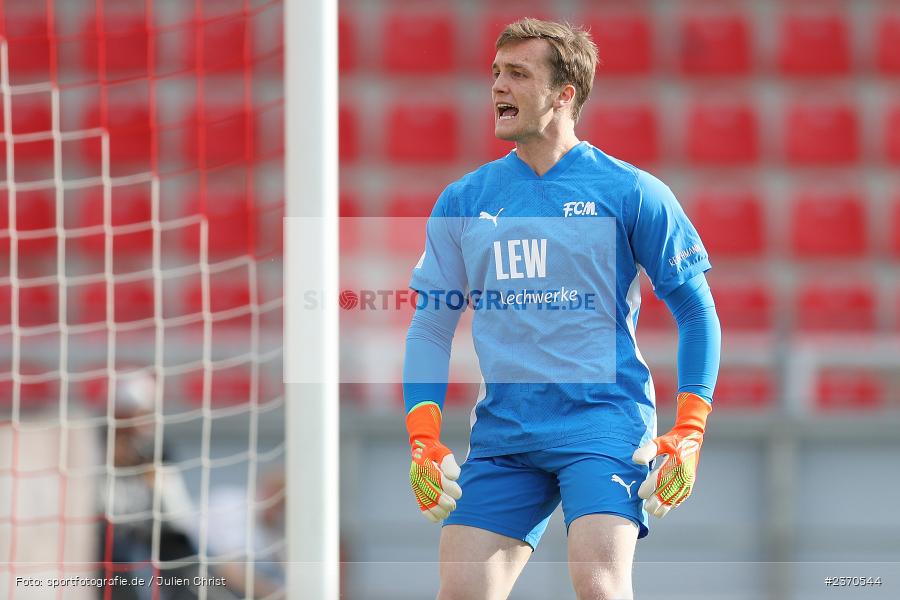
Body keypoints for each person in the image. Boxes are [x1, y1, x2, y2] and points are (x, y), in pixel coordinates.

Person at [402, 18, 721, 600]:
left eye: (517, 74)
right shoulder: (464, 200)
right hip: (505, 430)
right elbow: (432, 322)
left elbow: (696, 311)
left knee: (599, 584)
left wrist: (690, 431)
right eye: (496, 73)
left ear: (565, 94)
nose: (498, 86)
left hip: (602, 422)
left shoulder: (631, 192)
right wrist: (422, 434)